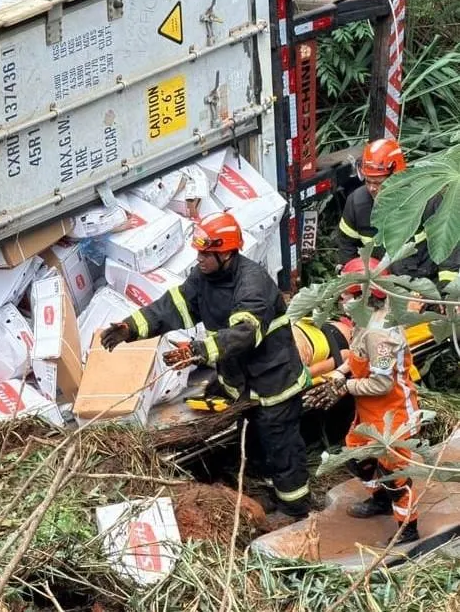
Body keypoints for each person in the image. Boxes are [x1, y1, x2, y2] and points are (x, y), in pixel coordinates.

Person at [100, 212, 311, 518]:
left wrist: (198, 351)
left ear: (225, 253)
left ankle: (295, 508)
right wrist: (130, 328)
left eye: (205, 253)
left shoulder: (253, 284)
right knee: (255, 444)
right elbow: (172, 307)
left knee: (282, 447)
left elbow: (244, 334)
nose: (198, 259)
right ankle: (270, 494)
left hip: (274, 383)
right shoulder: (204, 278)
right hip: (244, 384)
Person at [303, 258, 422, 545]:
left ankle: (408, 528)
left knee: (397, 475)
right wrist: (339, 375)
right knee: (357, 457)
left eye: (346, 294)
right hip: (370, 412)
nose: (341, 300)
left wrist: (345, 386)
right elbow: (356, 359)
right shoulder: (363, 322)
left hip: (393, 416)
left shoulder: (382, 336)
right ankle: (380, 499)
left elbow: (382, 383)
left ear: (364, 296)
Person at [337, 138, 450, 286]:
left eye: (378, 183)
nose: (371, 188)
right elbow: (347, 248)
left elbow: (449, 258)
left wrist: (444, 295)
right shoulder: (356, 203)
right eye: (368, 181)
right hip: (378, 284)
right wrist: (350, 284)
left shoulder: (428, 201)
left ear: (397, 178)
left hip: (422, 283)